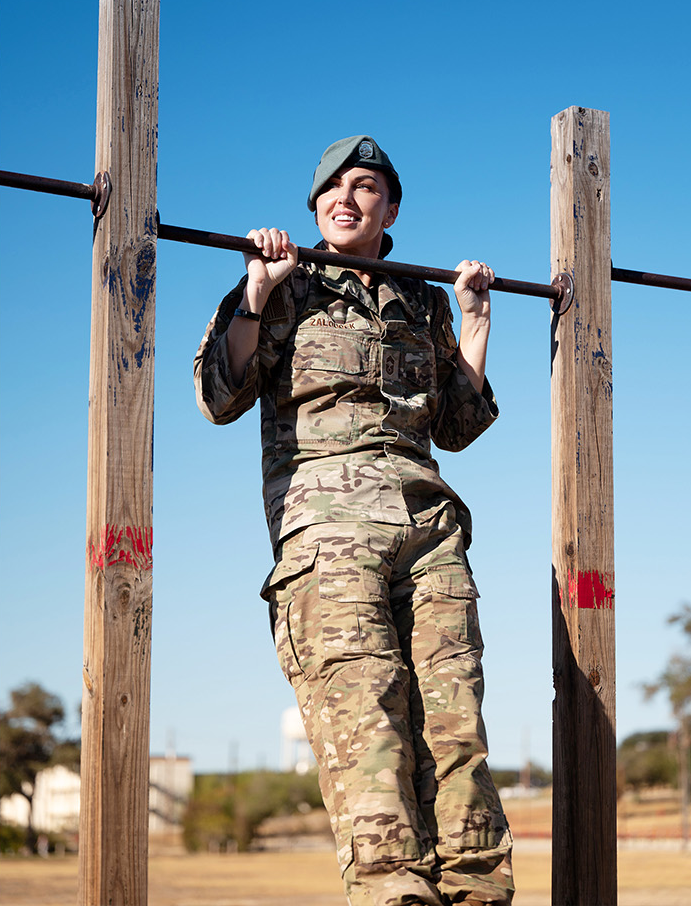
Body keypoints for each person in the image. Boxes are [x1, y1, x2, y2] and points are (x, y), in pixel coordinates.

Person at [194, 135, 513, 905]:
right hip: (329, 533)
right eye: (332, 187)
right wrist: (256, 291)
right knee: (367, 719)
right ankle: (394, 893)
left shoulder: (422, 299)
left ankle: (476, 892)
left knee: (455, 725)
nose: (346, 197)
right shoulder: (286, 283)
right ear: (314, 207)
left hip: (429, 529)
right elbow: (219, 396)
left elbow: (456, 425)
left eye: (365, 186)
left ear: (390, 209)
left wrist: (475, 323)